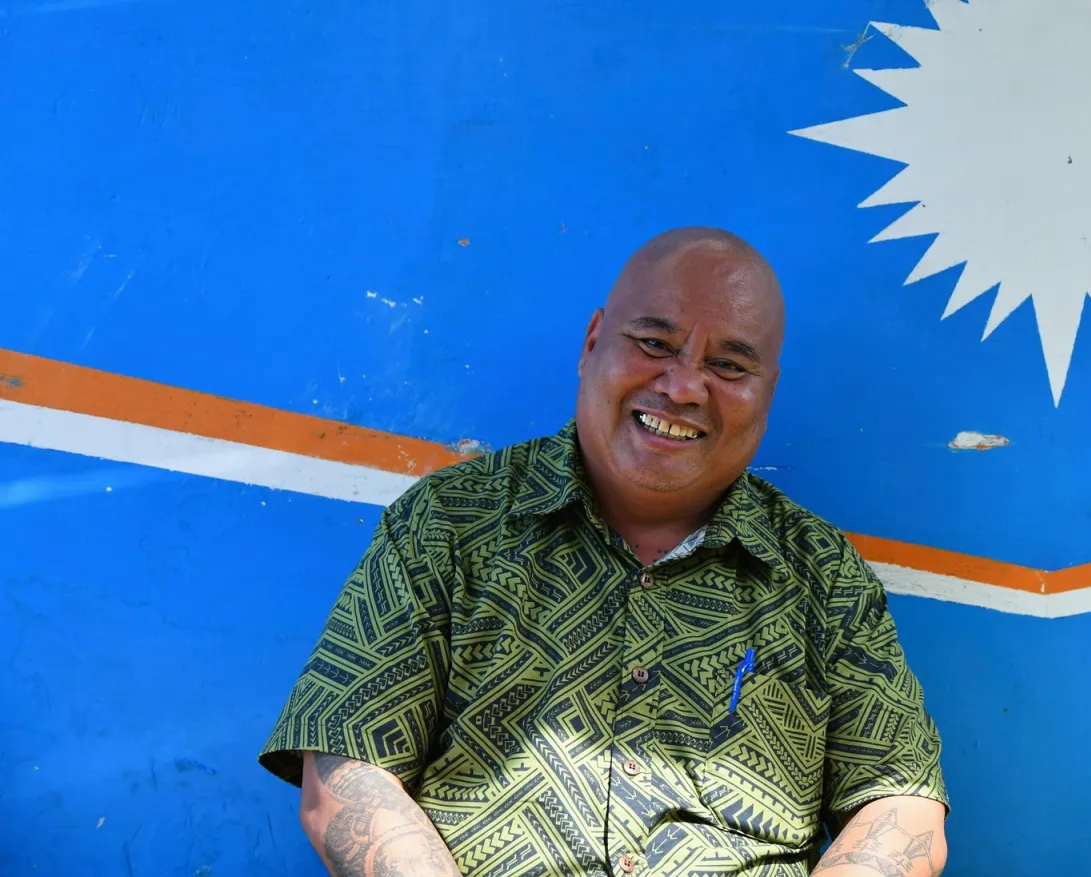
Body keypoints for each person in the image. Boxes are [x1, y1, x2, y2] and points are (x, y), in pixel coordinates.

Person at [259, 227, 949, 877]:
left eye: (729, 364)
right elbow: (347, 770)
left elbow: (898, 800)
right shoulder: (447, 525)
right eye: (654, 343)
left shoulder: (823, 576)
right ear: (592, 342)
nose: (682, 386)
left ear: (765, 394)